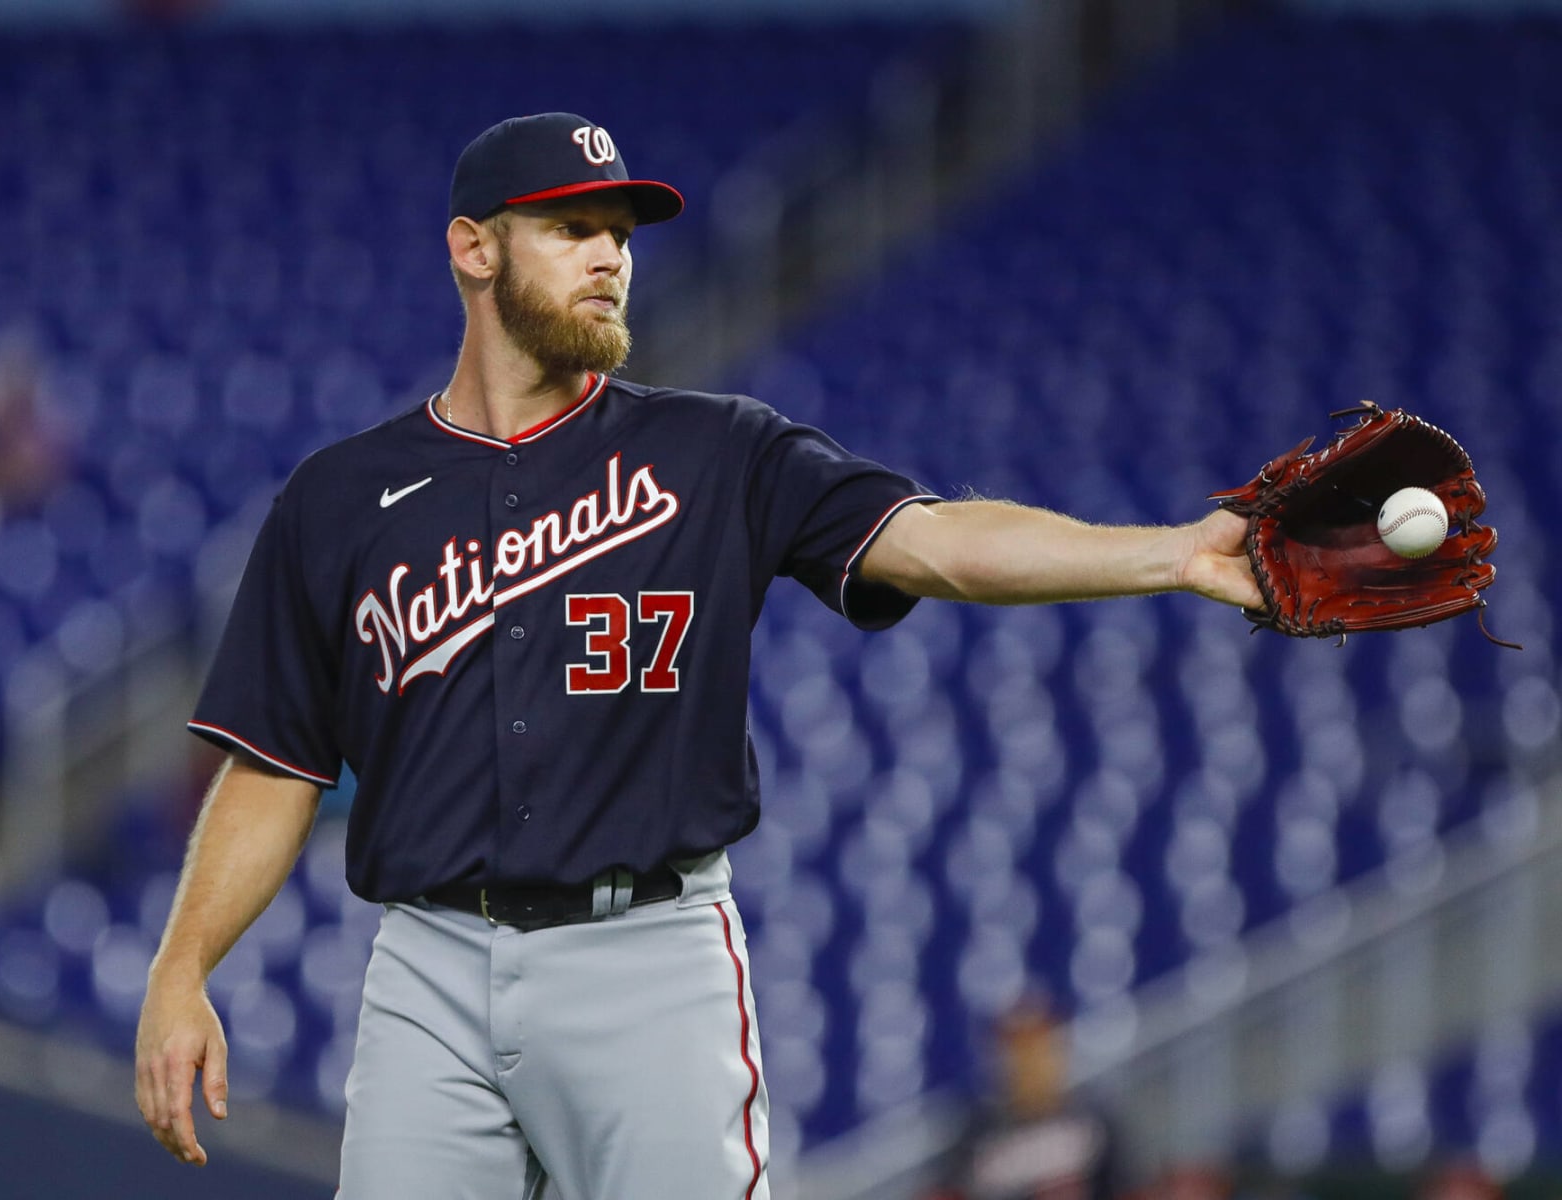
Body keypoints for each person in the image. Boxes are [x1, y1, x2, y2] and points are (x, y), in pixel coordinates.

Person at [134, 112, 1260, 1199]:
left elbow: (940, 543)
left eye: (620, 234)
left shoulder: (717, 450)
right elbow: (274, 765)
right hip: (427, 963)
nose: (608, 258)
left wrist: (1171, 554)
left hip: (646, 958)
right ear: (473, 248)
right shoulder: (339, 498)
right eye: (570, 228)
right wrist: (182, 971)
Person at [926, 998, 1120, 1200]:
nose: (1030, 1063)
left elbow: (1124, 1184)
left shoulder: (1091, 1120)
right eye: (1019, 1050)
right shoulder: (981, 1134)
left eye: (1039, 1049)